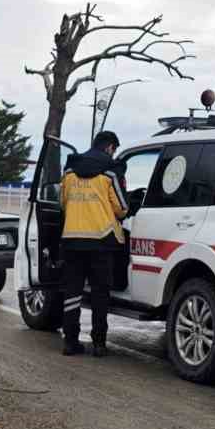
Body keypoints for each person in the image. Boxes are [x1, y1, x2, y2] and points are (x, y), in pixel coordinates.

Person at [58, 130, 129, 357]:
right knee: (100, 294)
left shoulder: (69, 170)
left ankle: (70, 342)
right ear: (110, 147)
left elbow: (62, 203)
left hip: (72, 241)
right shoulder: (110, 172)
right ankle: (99, 344)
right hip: (101, 242)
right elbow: (122, 208)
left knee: (72, 293)